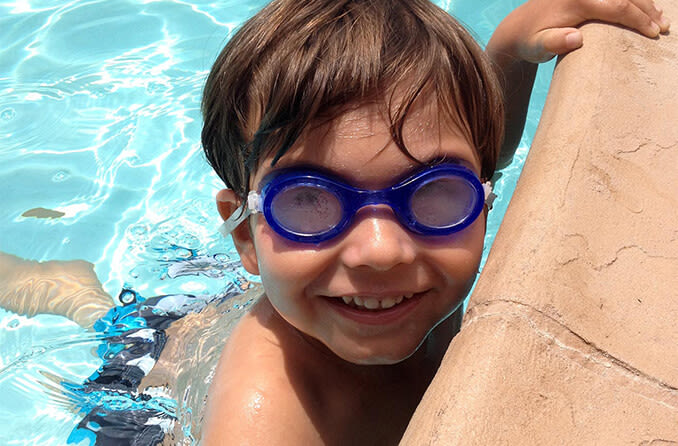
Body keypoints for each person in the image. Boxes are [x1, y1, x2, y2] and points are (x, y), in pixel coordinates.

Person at [199, 0, 669, 444]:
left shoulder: (398, 271)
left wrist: (510, 51)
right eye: (308, 200)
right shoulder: (262, 421)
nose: (382, 251)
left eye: (432, 189)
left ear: (481, 201)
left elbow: (486, 156)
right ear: (244, 234)